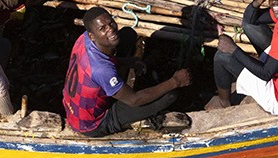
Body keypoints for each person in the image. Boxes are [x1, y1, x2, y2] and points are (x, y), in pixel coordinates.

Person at [63, 7, 193, 136]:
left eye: (111, 22)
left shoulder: (83, 39)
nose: (110, 29)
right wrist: (175, 81)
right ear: (92, 35)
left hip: (75, 104)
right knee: (169, 95)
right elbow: (134, 100)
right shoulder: (102, 70)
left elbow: (101, 61)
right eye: (103, 29)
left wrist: (128, 61)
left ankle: (117, 88)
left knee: (127, 34)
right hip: (91, 124)